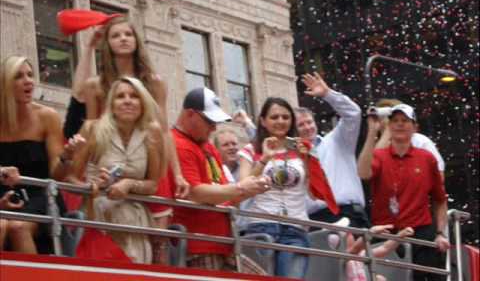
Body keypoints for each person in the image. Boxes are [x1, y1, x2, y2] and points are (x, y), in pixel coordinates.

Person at [80, 15, 189, 262]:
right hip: (110, 170)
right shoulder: (96, 85)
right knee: (112, 243)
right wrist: (88, 48)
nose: (123, 39)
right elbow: (91, 131)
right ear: (107, 43)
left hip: (149, 167)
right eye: (116, 35)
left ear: (137, 40)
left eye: (128, 34)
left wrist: (178, 172)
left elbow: (163, 131)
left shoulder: (154, 82)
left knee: (158, 245)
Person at [172, 87, 271, 273]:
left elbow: (227, 195)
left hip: (225, 244)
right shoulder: (178, 144)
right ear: (190, 114)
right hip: (199, 246)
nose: (214, 128)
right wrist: (242, 188)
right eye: (209, 121)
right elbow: (195, 193)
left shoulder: (208, 147)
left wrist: (252, 187)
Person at [238, 96, 338, 279]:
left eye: (285, 117)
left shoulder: (303, 149)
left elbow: (314, 194)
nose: (280, 121)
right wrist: (264, 159)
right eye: (274, 117)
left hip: (295, 227)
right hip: (261, 226)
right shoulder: (251, 149)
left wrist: (308, 160)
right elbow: (243, 188)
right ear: (263, 121)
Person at [69, 76, 165, 263]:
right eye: (121, 96)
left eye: (134, 96)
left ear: (143, 102)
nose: (128, 100)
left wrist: (129, 184)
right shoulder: (92, 128)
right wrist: (89, 187)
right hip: (98, 214)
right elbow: (70, 176)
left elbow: (153, 185)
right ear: (111, 103)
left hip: (135, 220)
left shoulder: (152, 131)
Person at [358, 103, 450, 281]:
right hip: (386, 232)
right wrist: (372, 132)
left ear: (415, 127)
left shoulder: (426, 158)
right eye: (395, 121)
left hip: (421, 233)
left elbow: (440, 199)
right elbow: (363, 173)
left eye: (405, 121)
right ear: (389, 126)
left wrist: (440, 233)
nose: (399, 124)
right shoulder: (379, 155)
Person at [0, 55, 68, 254]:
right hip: (3, 195)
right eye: (19, 76)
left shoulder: (47, 117)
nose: (28, 80)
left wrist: (67, 156)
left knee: (17, 227)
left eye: (30, 75)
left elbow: (58, 174)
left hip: (40, 195)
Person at [296, 72, 368, 228]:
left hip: (348, 215)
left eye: (309, 122)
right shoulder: (294, 156)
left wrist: (327, 94)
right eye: (301, 125)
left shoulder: (338, 140)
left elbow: (353, 114)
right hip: (315, 221)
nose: (307, 127)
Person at [372, 98, 445, 178]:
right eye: (381, 116)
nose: (384, 120)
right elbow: (372, 170)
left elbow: (438, 174)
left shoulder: (419, 140)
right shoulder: (375, 143)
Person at [328, 224, 415, 281]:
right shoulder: (338, 258)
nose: (351, 235)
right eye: (347, 235)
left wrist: (399, 236)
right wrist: (370, 233)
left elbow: (385, 248)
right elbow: (354, 250)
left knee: (380, 279)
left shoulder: (361, 254)